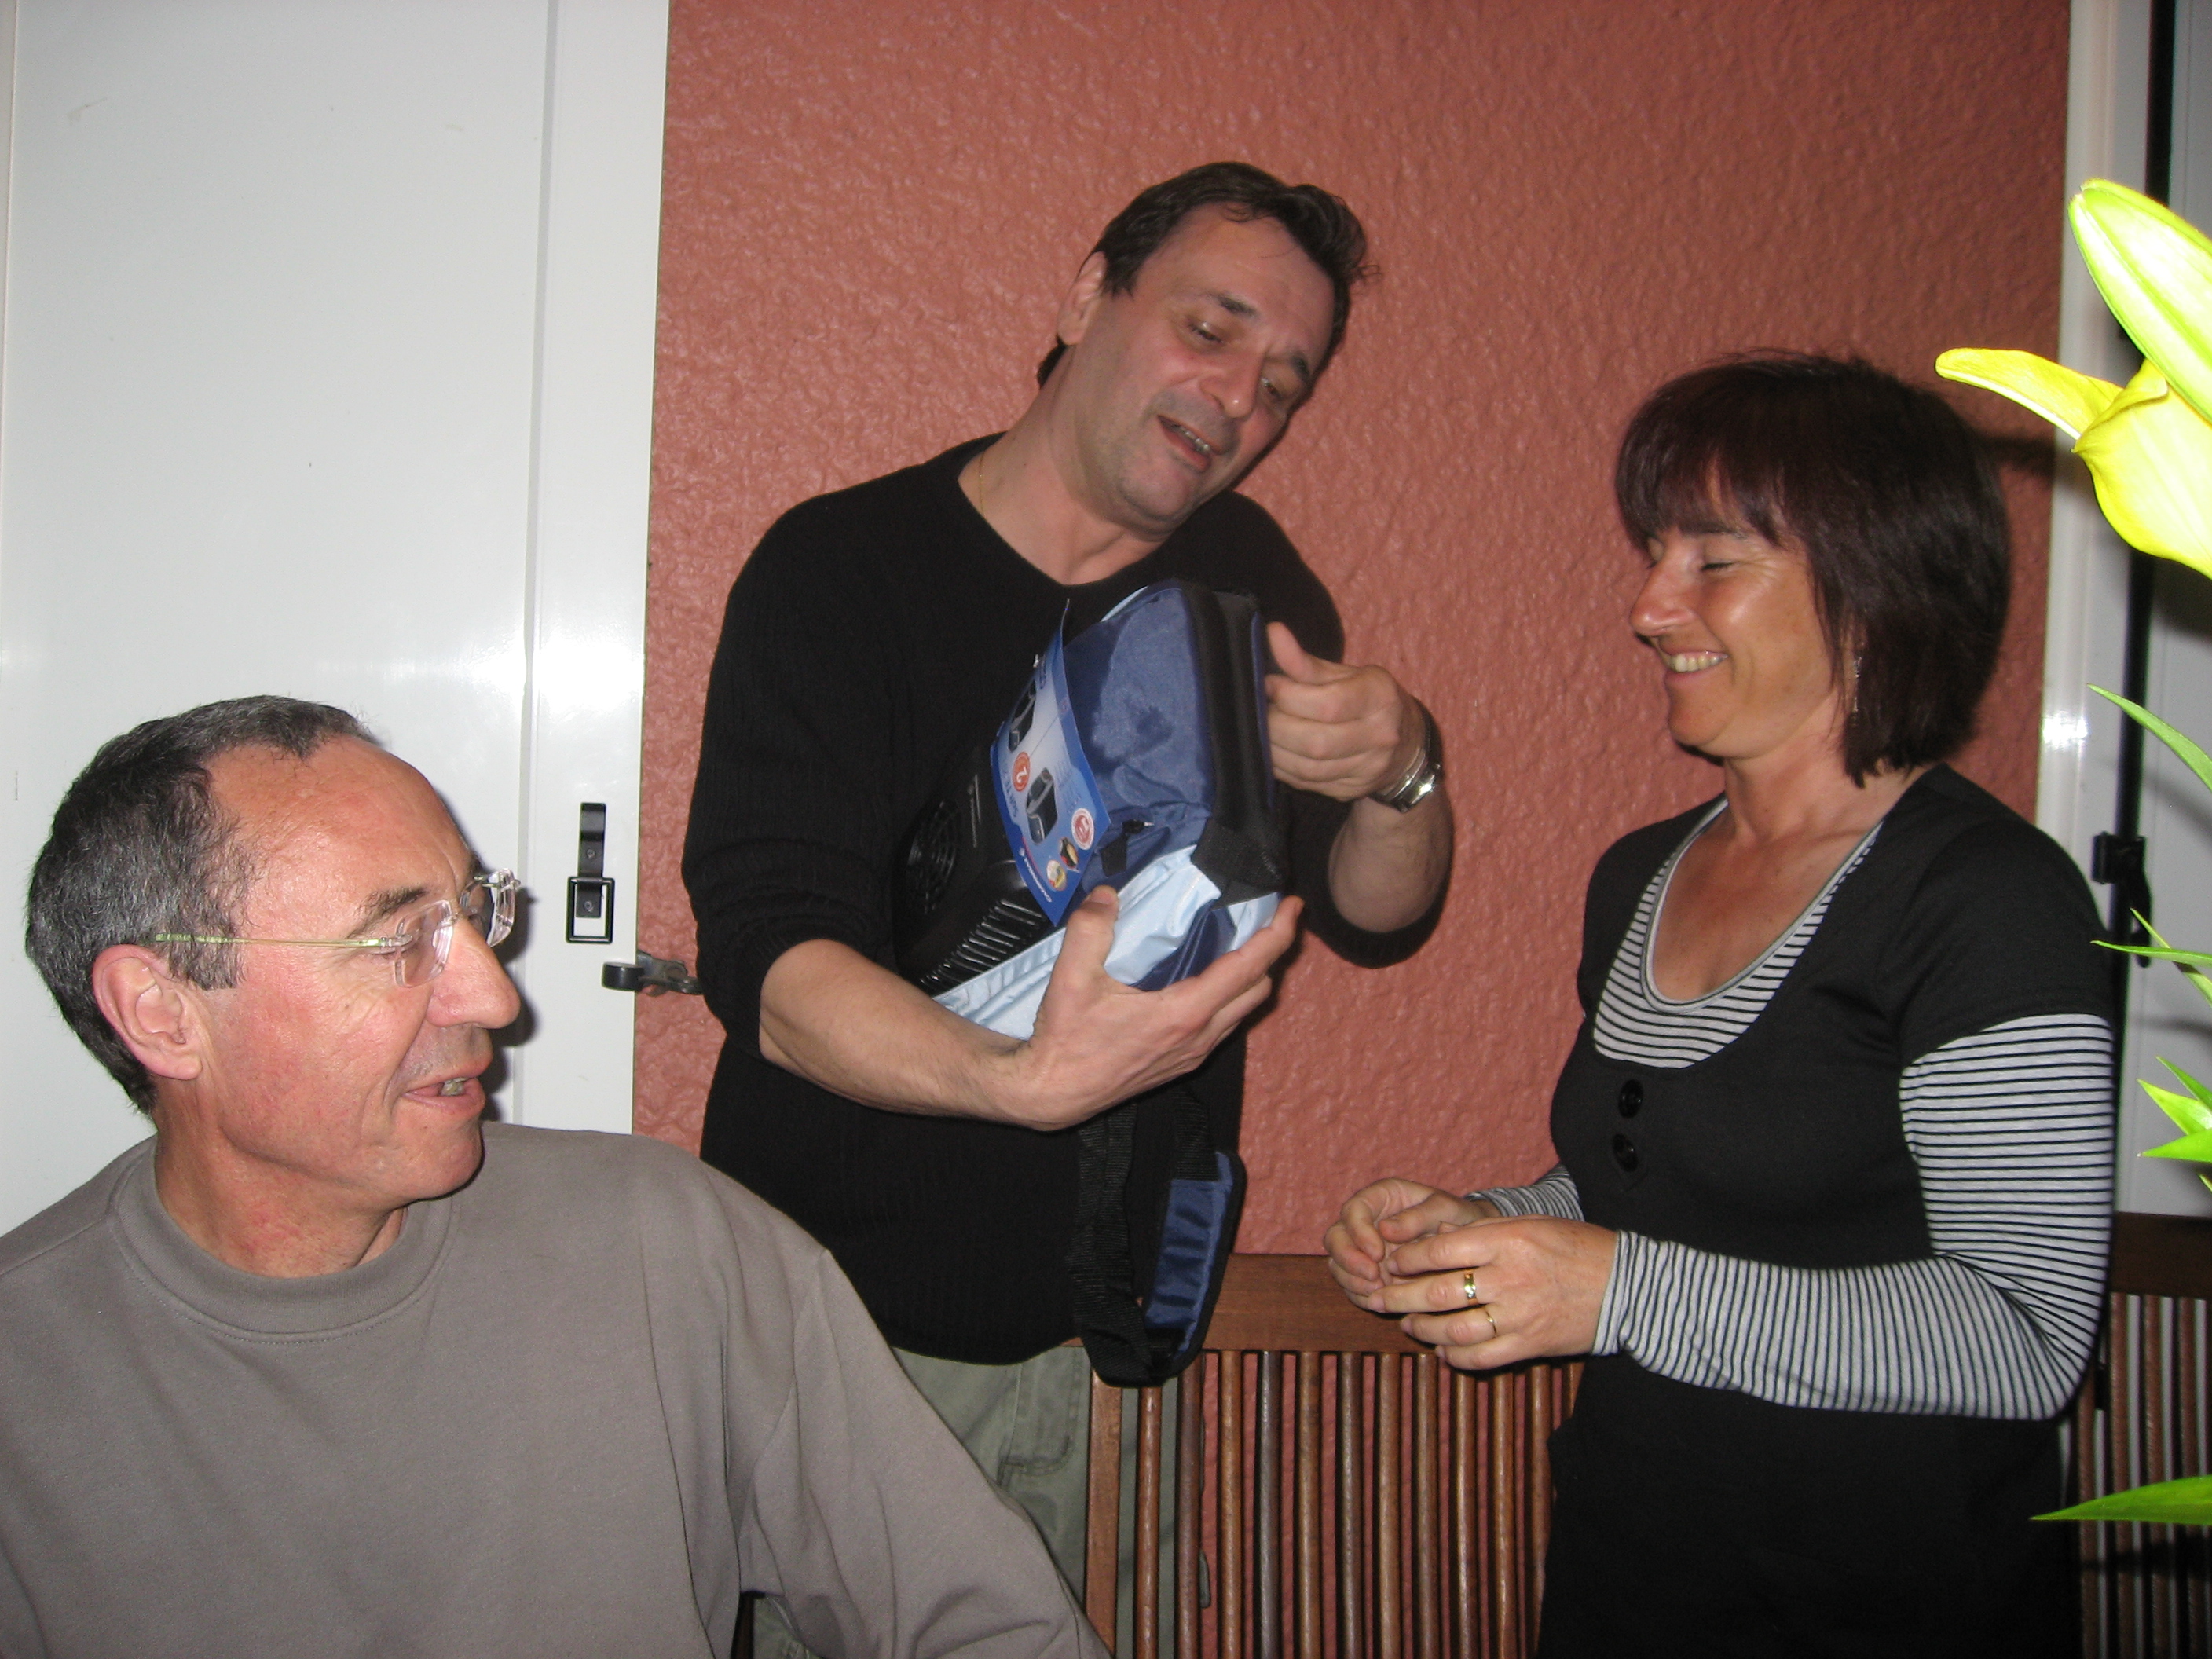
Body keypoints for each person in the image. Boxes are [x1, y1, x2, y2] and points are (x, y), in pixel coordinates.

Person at [683, 162, 1453, 1597]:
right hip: (837, 1339)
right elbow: (772, 971)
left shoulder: (1250, 592)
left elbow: (1374, 918)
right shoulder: (840, 571)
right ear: (1089, 294)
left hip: (1112, 1344)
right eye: (1210, 330)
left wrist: (1403, 768)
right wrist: (1019, 1081)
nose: (1238, 399)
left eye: (1283, 383)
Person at [2, 695, 1105, 1659]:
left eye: (472, 913)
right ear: (162, 1012)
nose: (494, 996)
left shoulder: (665, 1246)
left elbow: (991, 1624)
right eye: (396, 942)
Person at [1324, 355, 2113, 1657]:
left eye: (1714, 561)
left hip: (1893, 1602)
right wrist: (1487, 1228)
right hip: (1635, 1573)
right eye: (1655, 555)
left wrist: (1620, 1294)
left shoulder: (1987, 898)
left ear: (1874, 590)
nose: (1648, 607)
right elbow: (1656, 1194)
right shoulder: (1640, 874)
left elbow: (2025, 1335)